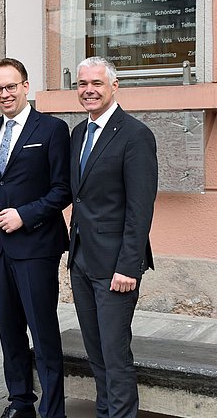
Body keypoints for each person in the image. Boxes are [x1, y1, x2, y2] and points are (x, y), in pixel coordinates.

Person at [0, 58, 71, 418]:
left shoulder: (51, 129)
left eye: (11, 86)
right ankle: (20, 401)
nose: (4, 94)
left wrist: (24, 215)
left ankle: (52, 409)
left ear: (26, 86)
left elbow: (62, 190)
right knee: (9, 329)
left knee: (42, 330)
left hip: (36, 247)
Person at [67, 56, 158, 418]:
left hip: (116, 268)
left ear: (114, 86)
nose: (88, 90)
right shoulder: (78, 134)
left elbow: (140, 210)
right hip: (82, 262)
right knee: (96, 353)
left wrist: (128, 267)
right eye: (82, 84)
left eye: (97, 84)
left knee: (115, 355)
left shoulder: (135, 135)